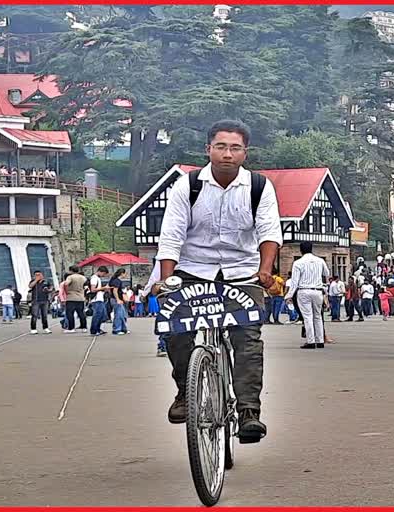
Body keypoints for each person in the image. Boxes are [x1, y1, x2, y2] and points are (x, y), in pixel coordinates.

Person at [155, 119, 282, 439]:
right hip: (193, 268)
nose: (228, 154)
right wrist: (167, 282)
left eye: (235, 148)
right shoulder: (188, 185)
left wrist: (265, 270)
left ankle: (249, 411)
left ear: (245, 153)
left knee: (248, 339)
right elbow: (170, 237)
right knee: (176, 329)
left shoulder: (259, 186)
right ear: (208, 149)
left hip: (244, 271)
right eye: (221, 147)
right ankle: (185, 391)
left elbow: (269, 232)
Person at [285, 241, 329, 349]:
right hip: (317, 290)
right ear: (311, 249)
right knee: (317, 316)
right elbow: (326, 273)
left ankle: (310, 341)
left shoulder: (298, 263)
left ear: (301, 250)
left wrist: (288, 295)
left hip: (304, 291)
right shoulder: (320, 261)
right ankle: (320, 341)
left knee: (307, 317)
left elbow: (295, 282)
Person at [63, 266, 88, 333]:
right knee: (81, 313)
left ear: (71, 270)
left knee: (70, 313)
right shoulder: (83, 277)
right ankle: (84, 327)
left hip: (71, 297)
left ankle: (71, 328)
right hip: (80, 297)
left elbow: (66, 283)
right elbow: (86, 286)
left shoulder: (70, 277)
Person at [89, 266, 111, 336]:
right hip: (96, 299)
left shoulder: (97, 278)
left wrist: (103, 289)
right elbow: (93, 289)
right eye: (103, 274)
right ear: (100, 271)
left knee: (102, 315)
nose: (103, 276)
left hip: (99, 298)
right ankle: (94, 330)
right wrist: (103, 288)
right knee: (97, 315)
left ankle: (97, 329)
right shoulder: (94, 278)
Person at [108, 268, 128, 335]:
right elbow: (115, 291)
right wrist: (118, 299)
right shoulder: (117, 281)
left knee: (122, 314)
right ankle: (117, 329)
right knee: (119, 314)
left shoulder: (114, 280)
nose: (125, 275)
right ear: (122, 273)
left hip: (115, 299)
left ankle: (123, 328)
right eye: (125, 273)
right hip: (116, 299)